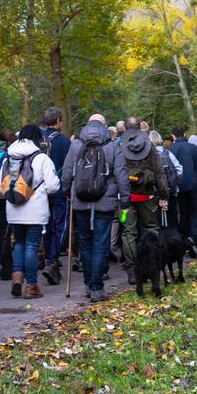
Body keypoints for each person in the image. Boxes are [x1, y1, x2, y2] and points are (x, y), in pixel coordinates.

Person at [61, 113, 119, 302]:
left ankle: (88, 284)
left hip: (81, 200)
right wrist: (124, 198)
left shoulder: (76, 144)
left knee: (85, 243)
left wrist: (66, 190)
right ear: (104, 126)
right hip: (105, 201)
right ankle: (96, 287)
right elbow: (121, 173)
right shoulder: (112, 145)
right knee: (101, 244)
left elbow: (68, 171)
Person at [0, 124, 59, 299]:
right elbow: (53, 186)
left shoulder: (8, 158)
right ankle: (31, 285)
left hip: (14, 210)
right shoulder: (41, 158)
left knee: (19, 243)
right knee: (32, 245)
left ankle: (17, 276)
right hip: (35, 210)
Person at [118, 117, 171, 283]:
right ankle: (153, 265)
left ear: (125, 128)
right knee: (151, 228)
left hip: (126, 199)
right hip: (148, 196)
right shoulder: (150, 147)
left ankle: (132, 271)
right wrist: (164, 195)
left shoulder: (119, 146)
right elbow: (159, 172)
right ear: (140, 127)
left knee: (128, 233)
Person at [40, 107, 71, 285]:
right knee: (61, 226)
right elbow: (68, 167)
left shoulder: (38, 139)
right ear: (58, 121)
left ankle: (46, 256)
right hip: (59, 190)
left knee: (47, 225)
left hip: (40, 190)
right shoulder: (65, 142)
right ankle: (52, 259)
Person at [169, 127, 197, 248]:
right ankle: (194, 237)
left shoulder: (171, 149)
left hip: (179, 186)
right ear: (185, 134)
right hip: (194, 184)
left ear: (173, 136)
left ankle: (184, 236)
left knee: (183, 212)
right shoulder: (193, 148)